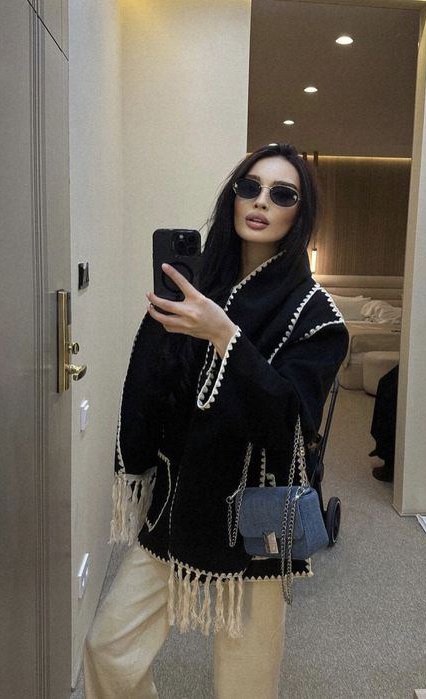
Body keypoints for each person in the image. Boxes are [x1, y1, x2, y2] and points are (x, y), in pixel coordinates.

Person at [83, 143, 349, 699]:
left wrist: (225, 336)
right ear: (233, 197)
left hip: (255, 517)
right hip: (177, 503)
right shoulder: (197, 287)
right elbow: (156, 385)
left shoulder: (316, 316)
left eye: (282, 194)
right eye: (249, 187)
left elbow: (289, 424)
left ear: (300, 214)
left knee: (244, 683)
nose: (261, 202)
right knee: (108, 648)